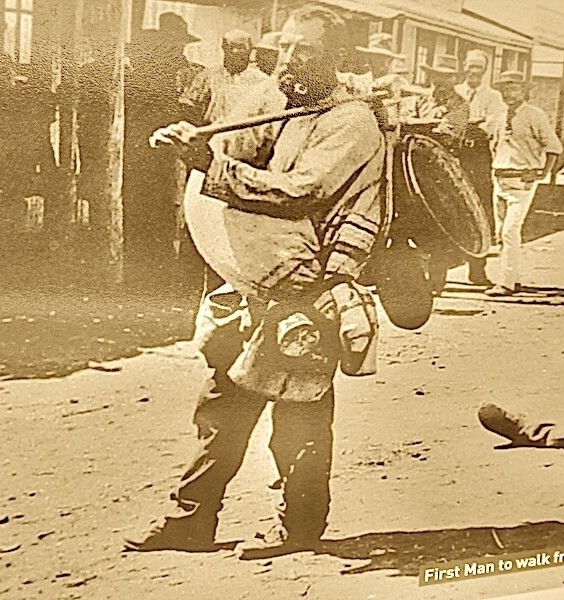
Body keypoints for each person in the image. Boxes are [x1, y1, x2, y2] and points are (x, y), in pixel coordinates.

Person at [125, 5, 386, 558]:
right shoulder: (291, 106)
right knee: (222, 402)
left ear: (338, 59)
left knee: (300, 412)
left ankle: (298, 528)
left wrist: (211, 166)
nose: (288, 58)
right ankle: (192, 520)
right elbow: (243, 154)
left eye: (305, 51)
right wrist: (199, 144)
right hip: (261, 281)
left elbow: (299, 194)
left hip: (309, 283)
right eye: (286, 46)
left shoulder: (351, 123)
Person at [178, 30, 288, 294]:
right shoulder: (208, 77)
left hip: (244, 163)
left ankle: (235, 290)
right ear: (222, 48)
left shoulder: (262, 84)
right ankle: (198, 287)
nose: (234, 54)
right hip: (207, 158)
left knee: (234, 227)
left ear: (251, 52)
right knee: (200, 221)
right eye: (229, 48)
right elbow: (188, 110)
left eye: (240, 49)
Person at [123, 12, 205, 286]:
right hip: (143, 149)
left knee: (171, 203)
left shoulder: (193, 74)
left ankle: (167, 265)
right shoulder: (143, 75)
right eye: (168, 44)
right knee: (142, 203)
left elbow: (195, 114)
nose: (174, 49)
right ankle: (143, 261)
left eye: (178, 44)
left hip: (177, 149)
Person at [485, 71, 562, 297]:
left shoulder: (534, 115)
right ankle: (512, 277)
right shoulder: (499, 115)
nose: (509, 94)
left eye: (514, 89)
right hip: (499, 177)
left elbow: (554, 147)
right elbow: (490, 141)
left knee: (510, 231)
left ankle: (505, 284)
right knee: (500, 233)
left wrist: (541, 173)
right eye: (505, 90)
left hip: (522, 180)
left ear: (524, 91)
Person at [454, 50, 506, 287]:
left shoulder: (493, 97)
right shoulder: (456, 92)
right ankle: (439, 274)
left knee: (480, 208)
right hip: (454, 153)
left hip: (477, 156)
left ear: (485, 71)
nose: (474, 72)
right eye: (470, 66)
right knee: (451, 205)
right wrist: (471, 122)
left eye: (479, 68)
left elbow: (491, 125)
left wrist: (469, 126)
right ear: (464, 67)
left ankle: (477, 271)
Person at [401, 55, 469, 147]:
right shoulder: (422, 100)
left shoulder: (460, 104)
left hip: (444, 155)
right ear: (432, 77)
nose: (442, 81)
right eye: (438, 75)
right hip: (414, 149)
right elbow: (405, 120)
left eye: (447, 77)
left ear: (455, 79)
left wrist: (416, 126)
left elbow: (446, 136)